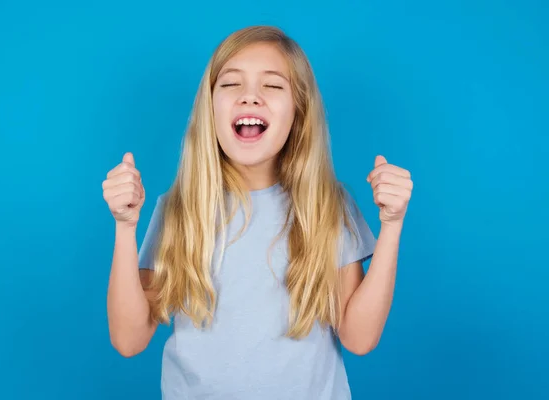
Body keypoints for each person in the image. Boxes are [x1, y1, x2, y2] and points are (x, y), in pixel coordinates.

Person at [102, 25, 413, 400]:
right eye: (231, 84)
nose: (250, 97)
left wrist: (392, 225)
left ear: (298, 112)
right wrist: (125, 227)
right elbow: (129, 340)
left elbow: (359, 338)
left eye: (273, 86)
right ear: (210, 107)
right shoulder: (179, 210)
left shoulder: (327, 207)